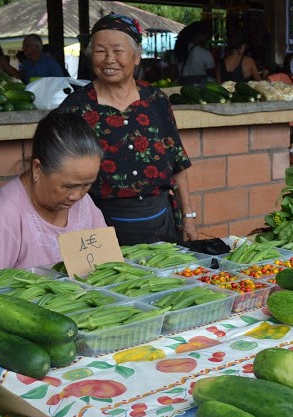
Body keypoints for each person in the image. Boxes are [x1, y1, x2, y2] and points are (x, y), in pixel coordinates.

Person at [58, 13, 198, 246]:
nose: (109, 59)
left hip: (162, 223)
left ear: (136, 56)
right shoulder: (75, 108)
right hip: (99, 226)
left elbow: (178, 164)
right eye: (100, 51)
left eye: (118, 50)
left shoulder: (156, 100)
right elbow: (59, 174)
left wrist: (189, 217)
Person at [0, 112, 106, 292]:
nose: (77, 195)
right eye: (68, 186)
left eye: (87, 185)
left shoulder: (84, 204)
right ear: (37, 169)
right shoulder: (2, 219)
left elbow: (105, 266)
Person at [173, 21, 216, 85]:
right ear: (200, 35)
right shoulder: (204, 53)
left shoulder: (178, 50)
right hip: (200, 89)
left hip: (181, 87)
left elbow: (173, 72)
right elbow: (212, 75)